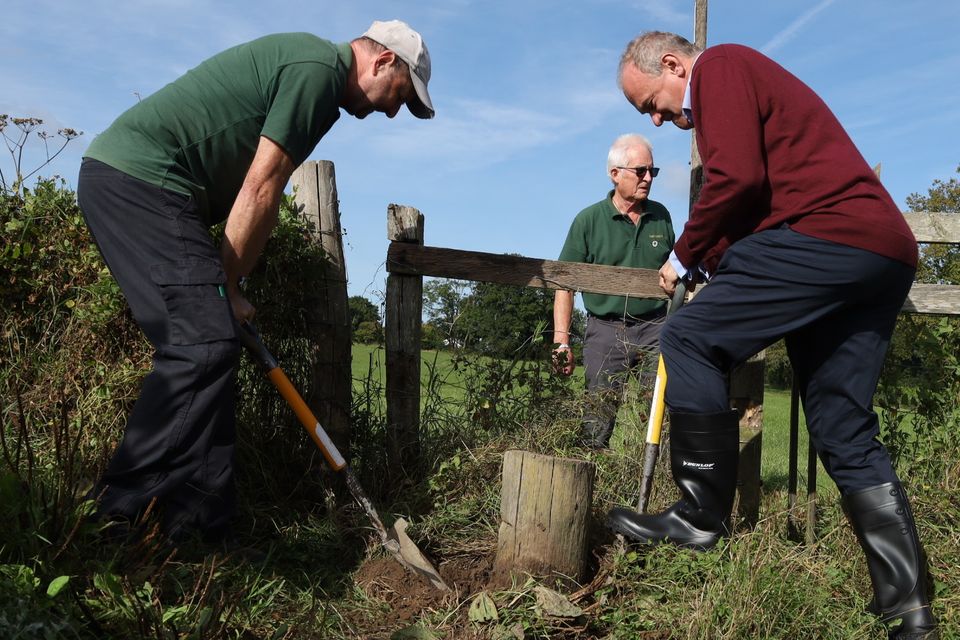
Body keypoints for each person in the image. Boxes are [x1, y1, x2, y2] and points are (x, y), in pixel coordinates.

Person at [605, 32, 937, 639]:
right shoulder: (742, 86)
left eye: (649, 101)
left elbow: (735, 180)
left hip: (830, 237)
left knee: (687, 338)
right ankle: (910, 615)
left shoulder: (721, 66)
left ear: (675, 65)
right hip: (879, 251)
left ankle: (700, 513)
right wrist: (711, 255)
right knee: (842, 428)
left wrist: (683, 256)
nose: (657, 117)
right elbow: (759, 200)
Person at [76, 20, 435, 546]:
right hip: (140, 183)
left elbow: (258, 187)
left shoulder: (317, 74)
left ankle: (200, 528)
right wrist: (228, 283)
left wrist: (226, 289)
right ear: (383, 62)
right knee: (202, 345)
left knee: (211, 349)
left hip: (153, 191)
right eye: (401, 95)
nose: (391, 111)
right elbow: (262, 185)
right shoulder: (317, 72)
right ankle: (113, 521)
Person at [552, 134, 674, 449]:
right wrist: (561, 341)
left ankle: (652, 482)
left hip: (655, 327)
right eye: (640, 171)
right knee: (597, 415)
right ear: (615, 173)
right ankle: (590, 475)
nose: (648, 178)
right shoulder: (588, 220)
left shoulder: (661, 216)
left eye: (653, 171)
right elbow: (565, 282)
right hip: (605, 328)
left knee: (660, 411)